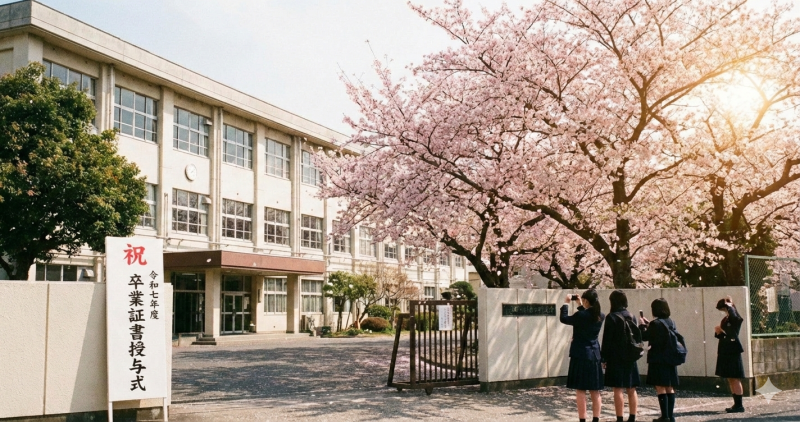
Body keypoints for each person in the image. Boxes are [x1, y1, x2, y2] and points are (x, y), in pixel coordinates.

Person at [560, 289, 605, 422]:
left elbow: (564, 318)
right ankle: (596, 419)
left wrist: (566, 303)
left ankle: (583, 419)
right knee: (595, 390)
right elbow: (586, 317)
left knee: (581, 390)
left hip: (581, 355)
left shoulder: (581, 315)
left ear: (586, 300)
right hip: (594, 355)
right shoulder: (601, 315)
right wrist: (580, 305)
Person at [601, 290, 640, 422]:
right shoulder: (632, 316)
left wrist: (604, 358)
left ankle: (619, 418)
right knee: (631, 388)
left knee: (618, 389)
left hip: (615, 357)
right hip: (630, 356)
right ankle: (633, 417)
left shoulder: (611, 317)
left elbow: (607, 340)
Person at [639, 298, 678, 422]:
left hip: (658, 359)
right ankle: (670, 416)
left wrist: (642, 326)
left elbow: (644, 337)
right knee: (669, 387)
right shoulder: (671, 322)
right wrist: (649, 325)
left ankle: (664, 416)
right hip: (670, 358)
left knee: (660, 387)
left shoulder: (655, 324)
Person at [714, 296, 745, 413]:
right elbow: (726, 335)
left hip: (733, 350)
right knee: (731, 378)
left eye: (724, 309)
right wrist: (719, 333)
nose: (724, 311)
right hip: (726, 349)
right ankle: (736, 404)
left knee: (735, 378)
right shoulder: (726, 319)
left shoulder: (735, 317)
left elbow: (734, 324)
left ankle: (739, 405)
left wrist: (730, 305)